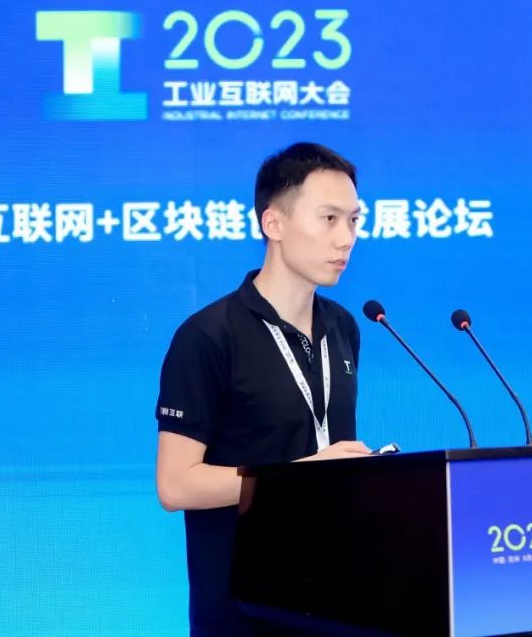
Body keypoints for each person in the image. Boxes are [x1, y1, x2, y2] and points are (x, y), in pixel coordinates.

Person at [154, 142, 372, 636]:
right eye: (329, 219)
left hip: (336, 602)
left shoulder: (343, 327)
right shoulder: (209, 336)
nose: (347, 239)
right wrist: (298, 476)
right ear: (273, 223)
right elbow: (175, 485)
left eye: (354, 220)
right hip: (244, 612)